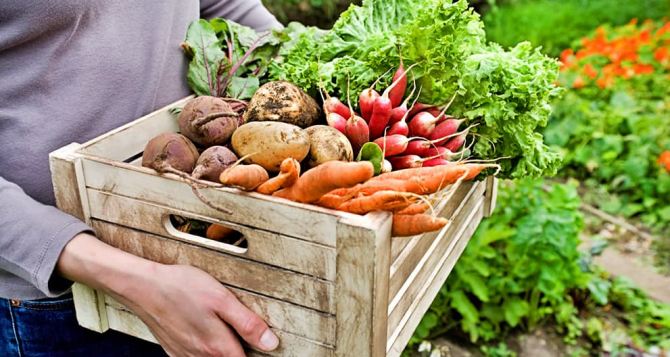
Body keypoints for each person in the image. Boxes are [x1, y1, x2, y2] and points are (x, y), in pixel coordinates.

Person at [0, 1, 283, 356]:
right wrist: (138, 283)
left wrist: (297, 66)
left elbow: (224, 6)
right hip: (66, 302)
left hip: (202, 243)